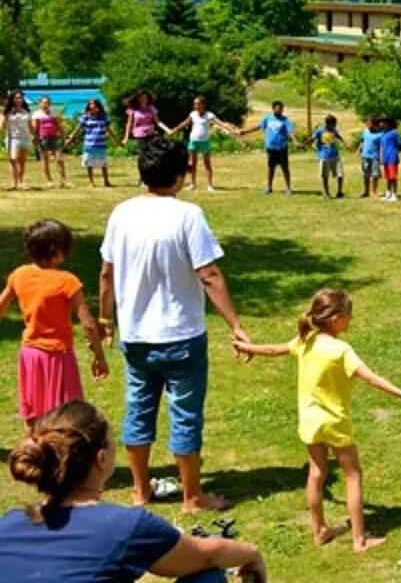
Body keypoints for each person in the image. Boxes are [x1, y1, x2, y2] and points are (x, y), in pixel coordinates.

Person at [99, 136, 254, 513]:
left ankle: (140, 491)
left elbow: (106, 274)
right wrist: (235, 324)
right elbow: (210, 274)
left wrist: (106, 319)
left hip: (136, 336)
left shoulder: (121, 213)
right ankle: (192, 498)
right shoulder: (187, 215)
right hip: (182, 335)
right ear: (182, 173)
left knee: (138, 410)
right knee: (185, 416)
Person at [0, 401, 266, 582]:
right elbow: (207, 554)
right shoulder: (126, 526)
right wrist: (251, 553)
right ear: (101, 458)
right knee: (207, 577)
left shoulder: (9, 524)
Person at [232, 289, 401, 552]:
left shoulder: (307, 340)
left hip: (309, 421)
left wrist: (247, 347)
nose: (351, 320)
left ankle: (319, 531)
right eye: (349, 315)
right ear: (336, 318)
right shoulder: (341, 350)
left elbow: (274, 349)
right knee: (353, 475)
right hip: (335, 423)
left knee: (316, 473)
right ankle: (359, 540)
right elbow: (371, 377)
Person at [1, 219, 109, 434]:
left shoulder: (19, 275)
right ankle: (63, 462)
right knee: (68, 415)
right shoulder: (67, 281)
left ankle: (33, 457)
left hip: (30, 355)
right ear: (58, 251)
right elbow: (87, 324)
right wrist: (99, 357)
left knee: (33, 415)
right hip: (58, 356)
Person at [167, 96, 237, 193]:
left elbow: (221, 124)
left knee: (207, 163)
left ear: (203, 105)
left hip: (204, 142)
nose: (196, 106)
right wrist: (173, 131)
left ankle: (210, 186)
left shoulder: (209, 115)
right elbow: (184, 123)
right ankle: (193, 184)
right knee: (192, 164)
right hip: (193, 141)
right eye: (195, 104)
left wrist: (233, 130)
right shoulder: (193, 114)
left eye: (198, 104)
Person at [238, 100, 301, 195]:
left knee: (285, 168)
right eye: (278, 108)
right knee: (271, 168)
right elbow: (258, 127)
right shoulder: (268, 118)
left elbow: (290, 132)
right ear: (273, 109)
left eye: (281, 108)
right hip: (271, 148)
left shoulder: (286, 120)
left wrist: (295, 141)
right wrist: (245, 131)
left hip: (282, 148)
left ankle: (288, 188)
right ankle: (269, 187)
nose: (280, 110)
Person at [64, 98, 119, 188]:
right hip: (89, 144)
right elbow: (77, 129)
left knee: (104, 164)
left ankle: (106, 181)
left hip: (101, 144)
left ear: (98, 106)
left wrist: (117, 141)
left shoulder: (104, 117)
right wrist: (70, 138)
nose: (92, 106)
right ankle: (91, 182)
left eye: (93, 104)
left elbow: (109, 130)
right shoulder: (86, 117)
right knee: (89, 163)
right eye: (90, 104)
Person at [305, 114, 348, 199]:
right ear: (328, 123)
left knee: (340, 174)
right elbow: (312, 139)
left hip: (335, 155)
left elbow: (339, 137)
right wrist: (303, 144)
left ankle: (339, 192)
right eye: (333, 124)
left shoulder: (334, 130)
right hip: (324, 156)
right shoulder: (320, 130)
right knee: (325, 175)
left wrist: (346, 143)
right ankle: (327, 193)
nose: (335, 126)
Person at [31, 95, 68, 188]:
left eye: (47, 102)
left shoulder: (53, 113)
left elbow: (59, 125)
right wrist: (34, 138)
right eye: (43, 102)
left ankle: (63, 181)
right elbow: (34, 128)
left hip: (54, 138)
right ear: (40, 104)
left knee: (60, 159)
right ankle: (49, 180)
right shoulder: (36, 114)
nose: (45, 104)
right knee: (45, 160)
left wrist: (64, 136)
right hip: (43, 138)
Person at [3, 89, 32, 190]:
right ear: (12, 99)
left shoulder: (26, 111)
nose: (19, 100)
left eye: (20, 98)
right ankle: (14, 182)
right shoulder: (7, 111)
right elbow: (2, 125)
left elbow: (30, 126)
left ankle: (20, 182)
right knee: (13, 159)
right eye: (16, 98)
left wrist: (35, 137)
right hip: (13, 139)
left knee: (22, 161)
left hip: (25, 138)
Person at [378, 117, 401, 202]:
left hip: (392, 157)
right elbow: (381, 146)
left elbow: (400, 143)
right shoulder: (382, 133)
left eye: (382, 122)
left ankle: (394, 194)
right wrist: (381, 157)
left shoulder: (394, 133)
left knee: (393, 176)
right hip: (385, 158)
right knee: (387, 177)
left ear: (386, 123)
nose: (380, 124)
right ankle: (388, 193)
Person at [356, 115, 382, 199]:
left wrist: (381, 155)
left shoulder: (379, 134)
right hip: (365, 156)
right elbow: (362, 141)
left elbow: (382, 146)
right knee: (365, 175)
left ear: (374, 124)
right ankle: (366, 191)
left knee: (375, 175)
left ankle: (373, 192)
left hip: (375, 157)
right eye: (367, 122)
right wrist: (359, 150)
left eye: (369, 122)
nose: (367, 124)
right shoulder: (365, 131)